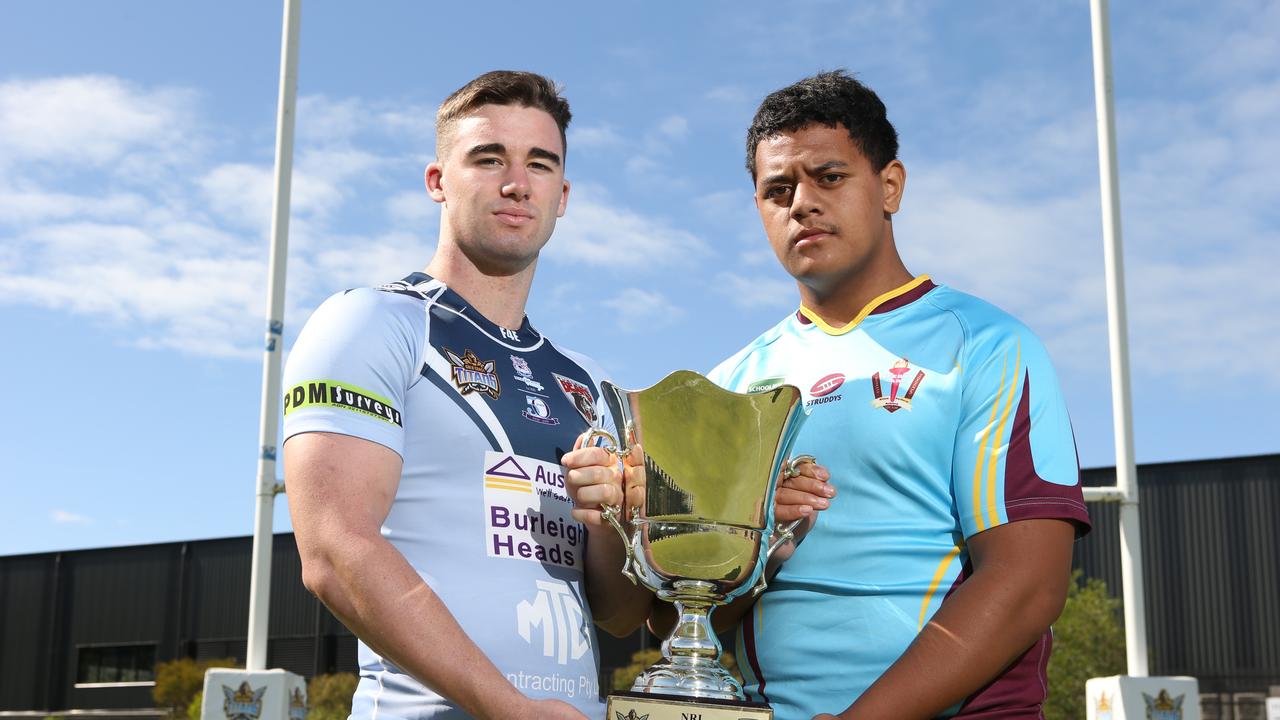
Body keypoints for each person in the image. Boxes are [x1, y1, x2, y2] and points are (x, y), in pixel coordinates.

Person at [565, 70, 1091, 720]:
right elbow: (683, 619)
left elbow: (1026, 586)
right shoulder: (731, 385)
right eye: (777, 189)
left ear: (890, 186)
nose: (801, 203)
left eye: (829, 177)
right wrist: (765, 544)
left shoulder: (989, 346)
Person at [282, 70, 649, 720]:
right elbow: (335, 551)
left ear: (561, 196)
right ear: (437, 182)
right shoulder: (370, 322)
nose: (516, 182)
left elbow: (621, 617)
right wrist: (509, 707)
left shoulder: (590, 386)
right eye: (488, 158)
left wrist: (607, 528)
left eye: (539, 164)